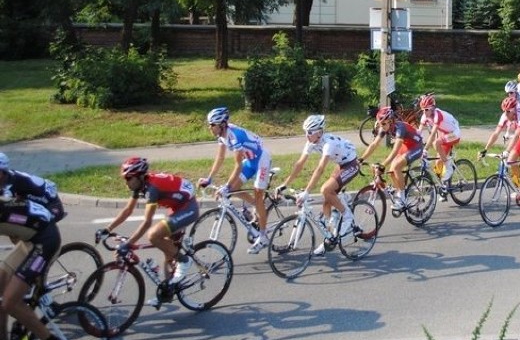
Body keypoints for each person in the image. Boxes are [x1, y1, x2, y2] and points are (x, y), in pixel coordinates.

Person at [96, 157, 199, 306]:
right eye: (125, 178)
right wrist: (108, 229)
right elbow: (128, 210)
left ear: (138, 176)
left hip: (188, 207)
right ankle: (167, 293)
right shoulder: (140, 185)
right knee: (168, 252)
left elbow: (147, 222)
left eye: (128, 178)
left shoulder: (152, 189)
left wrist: (129, 244)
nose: (126, 181)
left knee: (153, 235)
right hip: (176, 206)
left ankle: (184, 260)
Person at [0, 152, 66, 340]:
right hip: (31, 238)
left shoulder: (9, 191)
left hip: (45, 241)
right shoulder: (6, 192)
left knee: (9, 302)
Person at [280, 115, 359, 255]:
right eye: (305, 132)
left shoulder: (328, 143)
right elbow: (299, 164)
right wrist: (285, 184)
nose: (307, 136)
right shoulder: (311, 143)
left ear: (319, 132)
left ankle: (347, 215)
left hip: (351, 164)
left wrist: (307, 191)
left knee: (326, 189)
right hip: (341, 164)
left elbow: (320, 168)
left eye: (310, 132)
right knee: (326, 201)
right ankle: (329, 238)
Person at [198, 107, 273, 254]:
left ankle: (263, 237)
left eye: (212, 124)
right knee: (234, 190)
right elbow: (219, 158)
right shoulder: (222, 136)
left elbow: (238, 165)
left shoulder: (234, 136)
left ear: (222, 124)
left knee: (257, 194)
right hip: (250, 161)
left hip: (261, 160)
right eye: (209, 124)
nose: (210, 127)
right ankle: (259, 208)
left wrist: (226, 186)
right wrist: (209, 178)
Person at [360, 106, 424, 211]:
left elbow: (395, 151)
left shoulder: (400, 128)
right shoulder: (385, 127)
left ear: (391, 121)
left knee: (396, 166)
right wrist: (361, 159)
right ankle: (399, 192)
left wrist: (382, 165)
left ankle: (402, 198)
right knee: (391, 171)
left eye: (384, 124)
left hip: (416, 146)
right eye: (379, 124)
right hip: (406, 145)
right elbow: (374, 144)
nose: (381, 126)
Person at [479, 96, 520, 202]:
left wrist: (507, 151)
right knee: (510, 161)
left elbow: (516, 135)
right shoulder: (505, 116)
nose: (506, 114)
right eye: (504, 111)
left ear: (514, 110)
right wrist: (485, 149)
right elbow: (496, 133)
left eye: (508, 111)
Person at [417, 94, 461, 194]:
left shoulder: (438, 115)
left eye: (426, 109)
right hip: (444, 134)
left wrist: (425, 149)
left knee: (436, 142)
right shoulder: (425, 116)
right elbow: (418, 132)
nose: (424, 112)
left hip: (454, 133)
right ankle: (443, 188)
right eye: (422, 110)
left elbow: (433, 134)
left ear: (432, 108)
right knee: (437, 163)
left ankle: (449, 167)